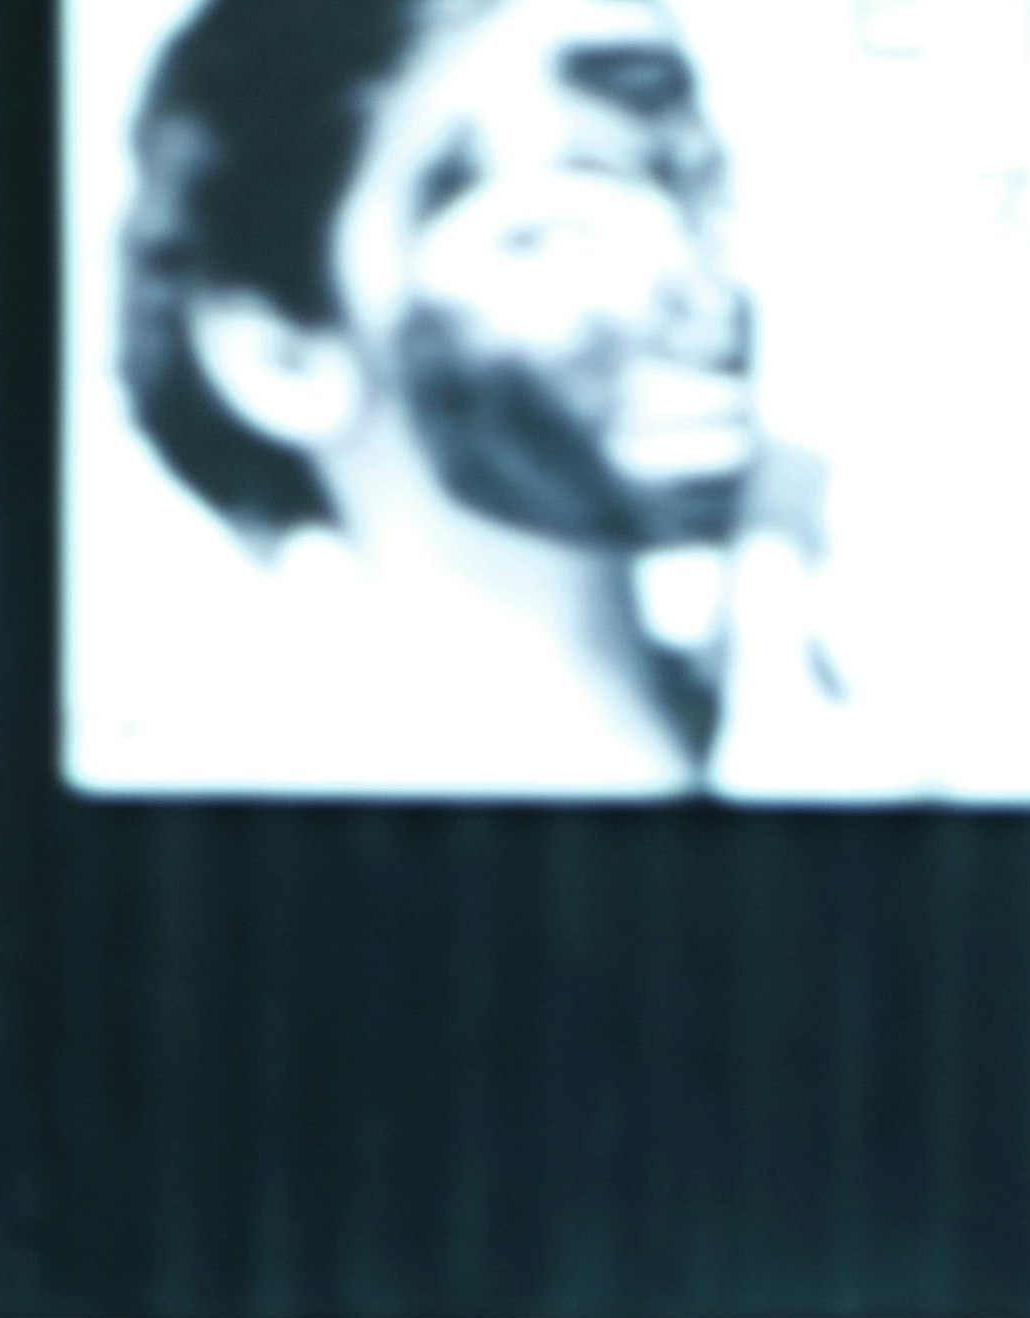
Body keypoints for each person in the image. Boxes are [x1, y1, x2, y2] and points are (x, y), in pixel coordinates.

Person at [107, 0, 856, 796]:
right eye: (557, 232)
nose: (705, 301)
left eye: (696, 199)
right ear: (282, 358)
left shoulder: (822, 731)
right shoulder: (228, 805)